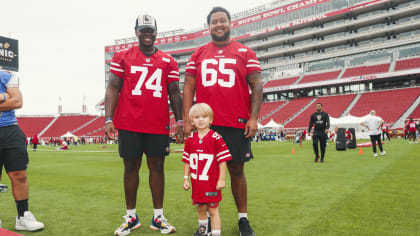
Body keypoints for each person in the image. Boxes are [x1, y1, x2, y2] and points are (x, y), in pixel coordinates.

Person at [183, 7, 262, 236]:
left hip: (235, 121)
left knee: (237, 170)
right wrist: (187, 119)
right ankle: (205, 224)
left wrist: (253, 117)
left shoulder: (245, 52)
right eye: (214, 21)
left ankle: (243, 220)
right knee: (204, 175)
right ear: (208, 26)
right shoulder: (198, 54)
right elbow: (188, 86)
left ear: (230, 23)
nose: (219, 24)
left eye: (223, 20)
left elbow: (257, 85)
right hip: (205, 124)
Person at [105, 14, 183, 236]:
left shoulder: (168, 61)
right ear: (136, 31)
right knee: (130, 167)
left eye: (150, 30)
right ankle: (131, 216)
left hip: (157, 123)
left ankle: (158, 217)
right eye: (143, 30)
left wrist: (179, 121)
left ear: (156, 32)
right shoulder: (122, 57)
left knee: (157, 167)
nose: (147, 34)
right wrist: (108, 119)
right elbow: (112, 87)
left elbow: (175, 93)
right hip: (129, 121)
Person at [0, 70, 44, 231]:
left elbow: (17, 101)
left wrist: (8, 98)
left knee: (19, 175)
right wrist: (5, 96)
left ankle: (23, 216)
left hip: (11, 129)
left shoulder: (6, 75)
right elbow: (11, 100)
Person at [183, 103, 231, 236]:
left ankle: (216, 233)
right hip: (197, 183)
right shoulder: (190, 140)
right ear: (192, 121)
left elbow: (222, 160)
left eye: (204, 116)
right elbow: (187, 160)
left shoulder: (216, 138)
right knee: (201, 209)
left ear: (210, 119)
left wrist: (222, 179)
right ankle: (203, 233)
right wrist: (186, 178)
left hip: (211, 183)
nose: (200, 119)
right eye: (197, 117)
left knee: (213, 210)